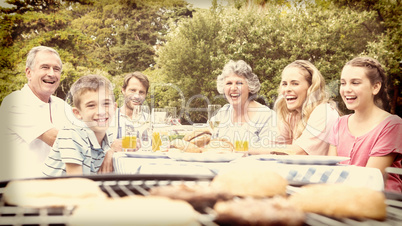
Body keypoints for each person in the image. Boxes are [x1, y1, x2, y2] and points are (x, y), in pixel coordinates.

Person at [328, 56, 402, 192]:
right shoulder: (338, 123)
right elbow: (331, 171)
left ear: (375, 87)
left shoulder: (392, 125)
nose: (346, 89)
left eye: (355, 83)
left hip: (382, 204)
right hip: (343, 198)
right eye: (343, 83)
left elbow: (370, 178)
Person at [0, 46, 73, 180]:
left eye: (56, 69)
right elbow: (58, 139)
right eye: (45, 67)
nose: (51, 74)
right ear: (29, 73)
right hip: (18, 191)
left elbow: (82, 133)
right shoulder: (15, 102)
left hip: (53, 189)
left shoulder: (62, 105)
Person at [250, 60, 339, 155]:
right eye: (284, 84)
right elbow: (272, 145)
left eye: (295, 83)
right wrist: (241, 147)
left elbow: (297, 152)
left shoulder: (324, 111)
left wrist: (247, 149)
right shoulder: (292, 115)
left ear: (310, 87)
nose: (287, 89)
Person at [42, 74, 119, 176]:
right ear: (77, 113)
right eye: (91, 105)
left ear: (114, 108)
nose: (101, 111)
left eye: (106, 104)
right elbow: (76, 184)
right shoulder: (71, 135)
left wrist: (111, 151)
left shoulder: (108, 136)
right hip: (52, 191)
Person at [210, 60, 278, 150]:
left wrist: (233, 150)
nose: (233, 88)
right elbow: (208, 139)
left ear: (250, 86)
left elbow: (270, 150)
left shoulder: (267, 116)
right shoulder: (221, 114)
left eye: (239, 83)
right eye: (229, 83)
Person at [112, 71, 150, 142]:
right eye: (132, 90)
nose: (137, 96)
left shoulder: (149, 120)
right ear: (123, 90)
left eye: (141, 92)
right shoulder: (110, 118)